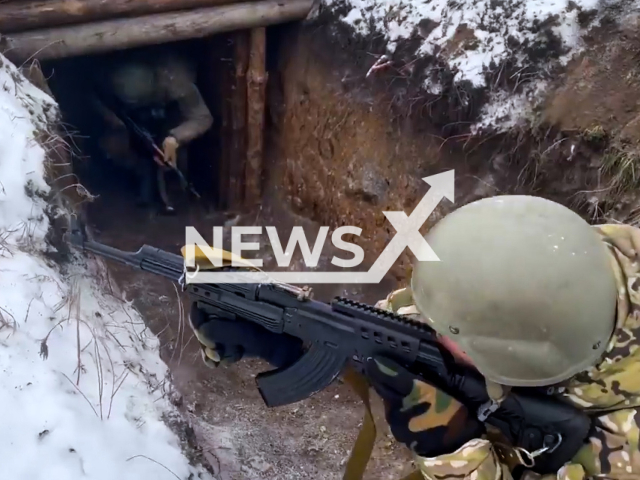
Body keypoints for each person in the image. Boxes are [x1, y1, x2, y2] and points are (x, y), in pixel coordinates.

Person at [187, 195, 640, 479]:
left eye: (454, 335)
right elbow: (396, 334)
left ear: (523, 357)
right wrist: (286, 334)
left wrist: (455, 452)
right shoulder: (540, 271)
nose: (432, 330)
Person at [90, 49, 213, 214]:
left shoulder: (176, 79)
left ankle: (174, 194)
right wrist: (115, 121)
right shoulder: (107, 77)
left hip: (171, 111)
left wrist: (175, 138)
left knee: (170, 154)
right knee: (113, 144)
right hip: (126, 118)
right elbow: (92, 97)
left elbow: (202, 117)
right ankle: (140, 171)